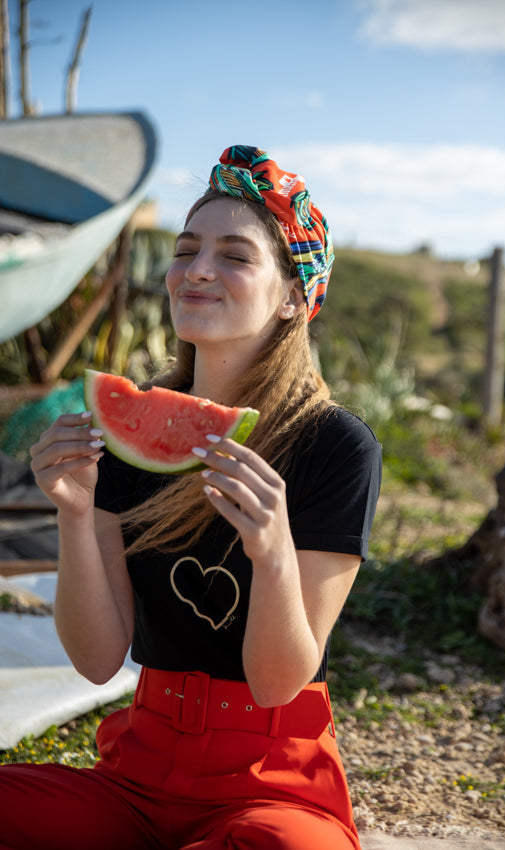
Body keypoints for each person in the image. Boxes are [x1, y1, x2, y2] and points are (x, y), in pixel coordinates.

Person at [0, 145, 381, 849]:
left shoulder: (334, 446)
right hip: (139, 774)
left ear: (295, 296)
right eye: (185, 250)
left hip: (274, 784)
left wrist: (269, 554)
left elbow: (276, 685)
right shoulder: (119, 435)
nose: (196, 270)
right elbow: (95, 660)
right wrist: (75, 514)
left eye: (234, 255)